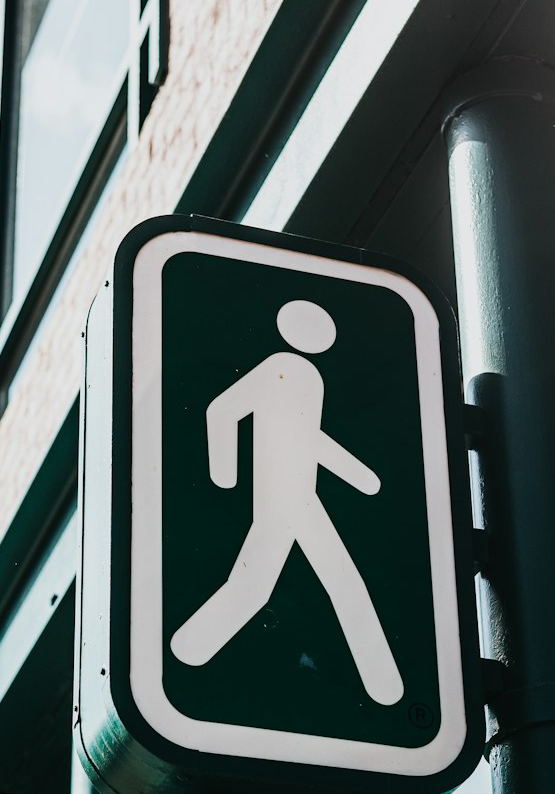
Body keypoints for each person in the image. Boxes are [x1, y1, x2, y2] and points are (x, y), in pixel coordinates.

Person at [170, 298, 404, 704]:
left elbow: (310, 438)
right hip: (281, 498)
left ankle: (191, 649)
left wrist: (360, 476)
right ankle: (188, 652)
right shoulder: (281, 369)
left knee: (276, 584)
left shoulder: (310, 376)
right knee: (307, 583)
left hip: (302, 497)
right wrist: (224, 475)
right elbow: (222, 411)